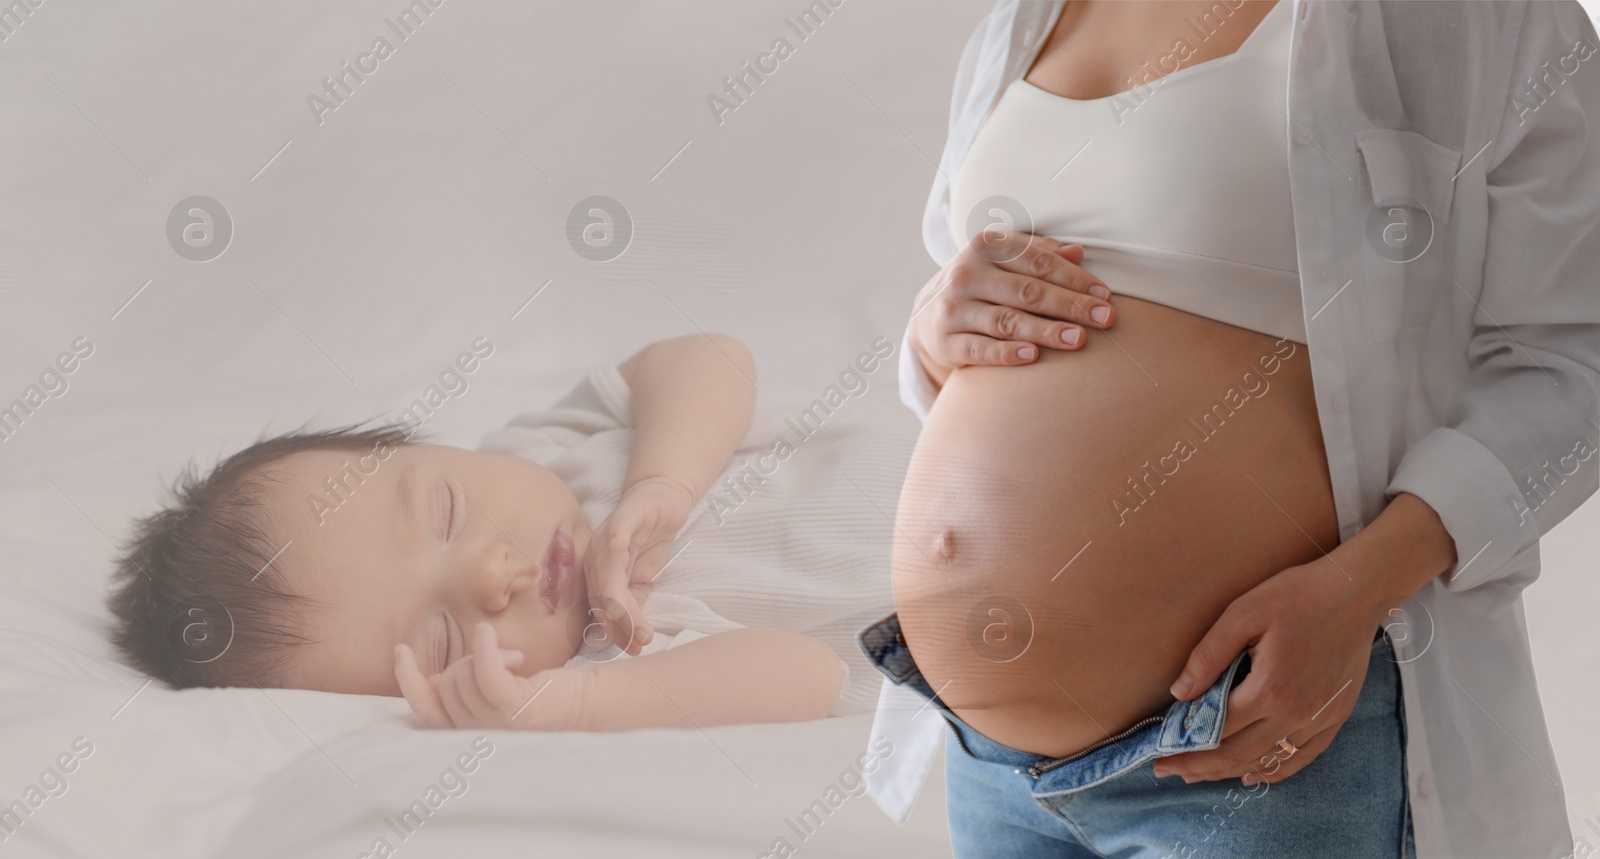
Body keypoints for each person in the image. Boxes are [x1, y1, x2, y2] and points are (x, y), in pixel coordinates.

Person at [860, 1, 1600, 857]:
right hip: (992, 769)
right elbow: (964, 306)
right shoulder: (1022, 18)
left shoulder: (1469, 19)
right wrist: (933, 324)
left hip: (1265, 742)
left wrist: (1359, 588)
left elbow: (1575, 358)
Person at [106, 334, 910, 730]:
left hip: (984, 429)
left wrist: (664, 480)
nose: (493, 576)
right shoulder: (616, 654)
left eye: (447, 512)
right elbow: (807, 675)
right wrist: (578, 703)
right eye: (444, 639)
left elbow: (712, 358)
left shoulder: (538, 452)